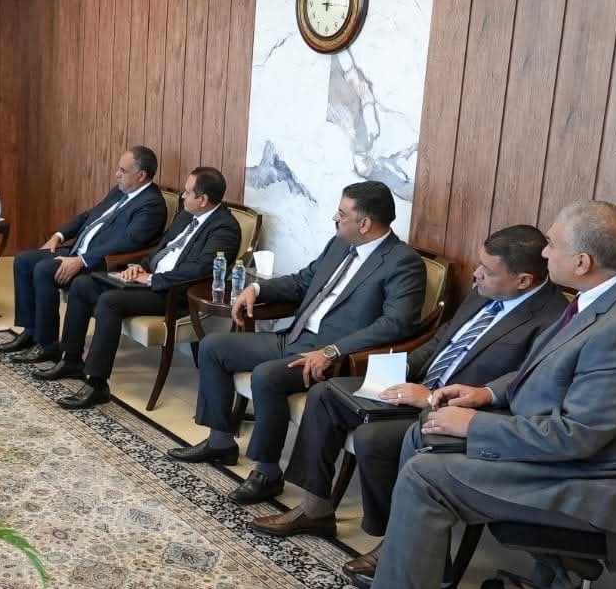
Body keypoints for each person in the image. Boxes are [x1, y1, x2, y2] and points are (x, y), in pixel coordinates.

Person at [324, 201, 616, 589]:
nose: (544, 253)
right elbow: (549, 366)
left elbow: (575, 438)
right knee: (424, 434)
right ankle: (425, 582)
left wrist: (475, 425)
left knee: (426, 476)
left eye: (552, 245)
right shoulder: (615, 291)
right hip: (579, 454)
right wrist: (486, 393)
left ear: (583, 261)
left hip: (606, 481)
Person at [249, 226, 567, 583]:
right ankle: (315, 509)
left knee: (373, 439)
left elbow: (522, 383)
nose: (476, 274)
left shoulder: (553, 319)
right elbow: (441, 343)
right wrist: (395, 371)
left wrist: (430, 398)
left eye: (488, 270)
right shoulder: (486, 292)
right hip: (419, 387)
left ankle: (399, 541)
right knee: (326, 395)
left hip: (459, 411)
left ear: (523, 281)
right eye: (480, 265)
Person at [169, 181, 426, 507]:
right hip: (295, 338)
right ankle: (220, 442)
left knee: (267, 375)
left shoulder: (403, 262)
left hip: (335, 357)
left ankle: (267, 473)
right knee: (213, 347)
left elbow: (396, 324)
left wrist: (334, 351)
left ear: (364, 223)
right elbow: (304, 281)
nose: (335, 217)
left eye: (342, 213)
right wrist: (257, 290)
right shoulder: (340, 244)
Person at [45, 166, 242, 410]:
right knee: (83, 284)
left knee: (109, 301)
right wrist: (139, 267)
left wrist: (151, 279)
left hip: (173, 293)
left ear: (203, 200)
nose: (182, 196)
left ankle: (97, 384)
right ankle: (71, 359)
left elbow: (201, 270)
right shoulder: (187, 215)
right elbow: (161, 249)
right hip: (150, 280)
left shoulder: (224, 228)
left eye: (188, 193)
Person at [0, 146, 166, 364]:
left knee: (45, 270)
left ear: (141, 176)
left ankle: (47, 344)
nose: (117, 174)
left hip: (101, 263)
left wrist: (82, 260)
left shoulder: (152, 204)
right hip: (78, 250)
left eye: (123, 171)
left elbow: (127, 242)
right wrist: (58, 235)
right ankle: (31, 331)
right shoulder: (120, 190)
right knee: (23, 260)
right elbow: (88, 216)